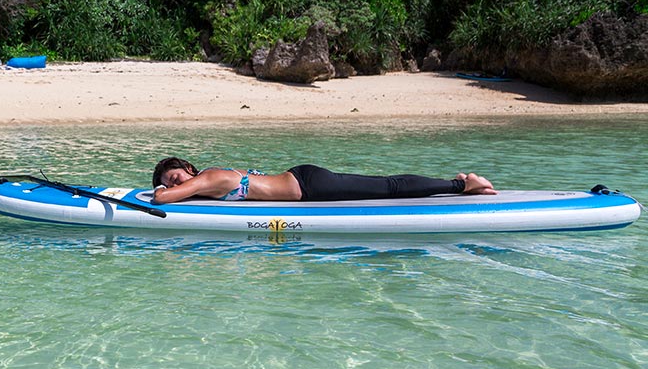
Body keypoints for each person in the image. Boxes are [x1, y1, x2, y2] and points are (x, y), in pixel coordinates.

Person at [150, 157, 497, 204]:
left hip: (311, 186)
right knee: (384, 185)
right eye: (169, 180)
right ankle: (456, 181)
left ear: (188, 170)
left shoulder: (205, 178)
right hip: (302, 179)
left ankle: (462, 186)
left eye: (174, 176)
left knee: (386, 187)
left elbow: (162, 201)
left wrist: (161, 189)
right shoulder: (209, 178)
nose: (173, 182)